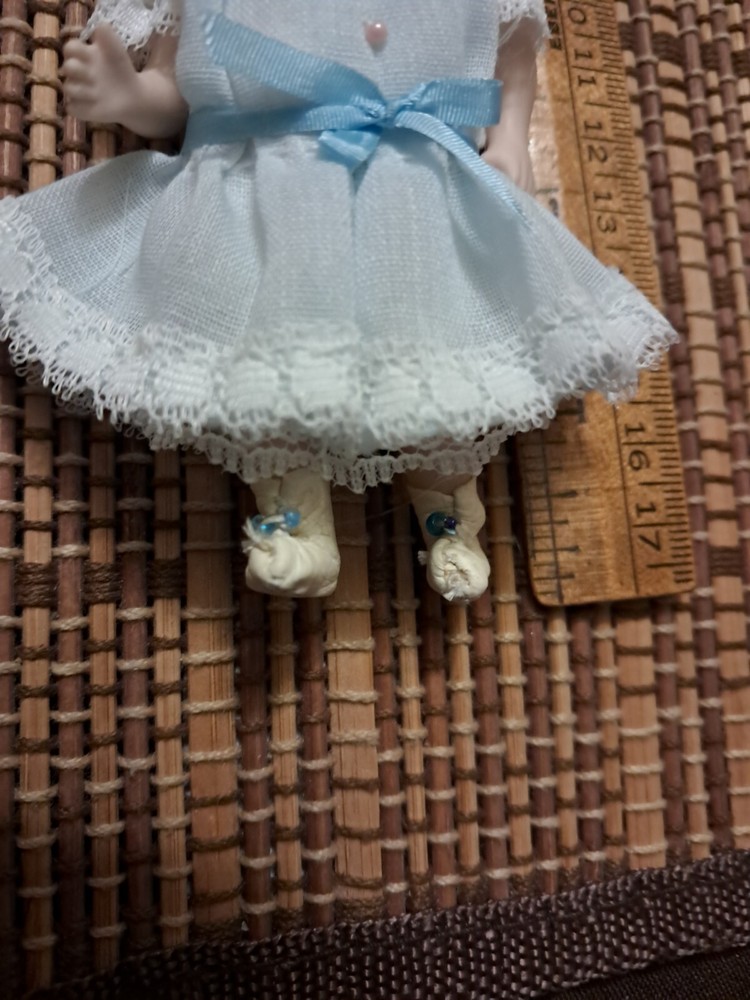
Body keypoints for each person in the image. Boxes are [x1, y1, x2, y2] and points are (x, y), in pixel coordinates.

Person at [0, 0, 677, 601]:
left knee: (439, 353)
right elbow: (174, 90)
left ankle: (448, 512)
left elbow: (514, 54)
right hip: (261, 187)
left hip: (419, 180)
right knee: (272, 367)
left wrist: (508, 143)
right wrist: (129, 96)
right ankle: (295, 519)